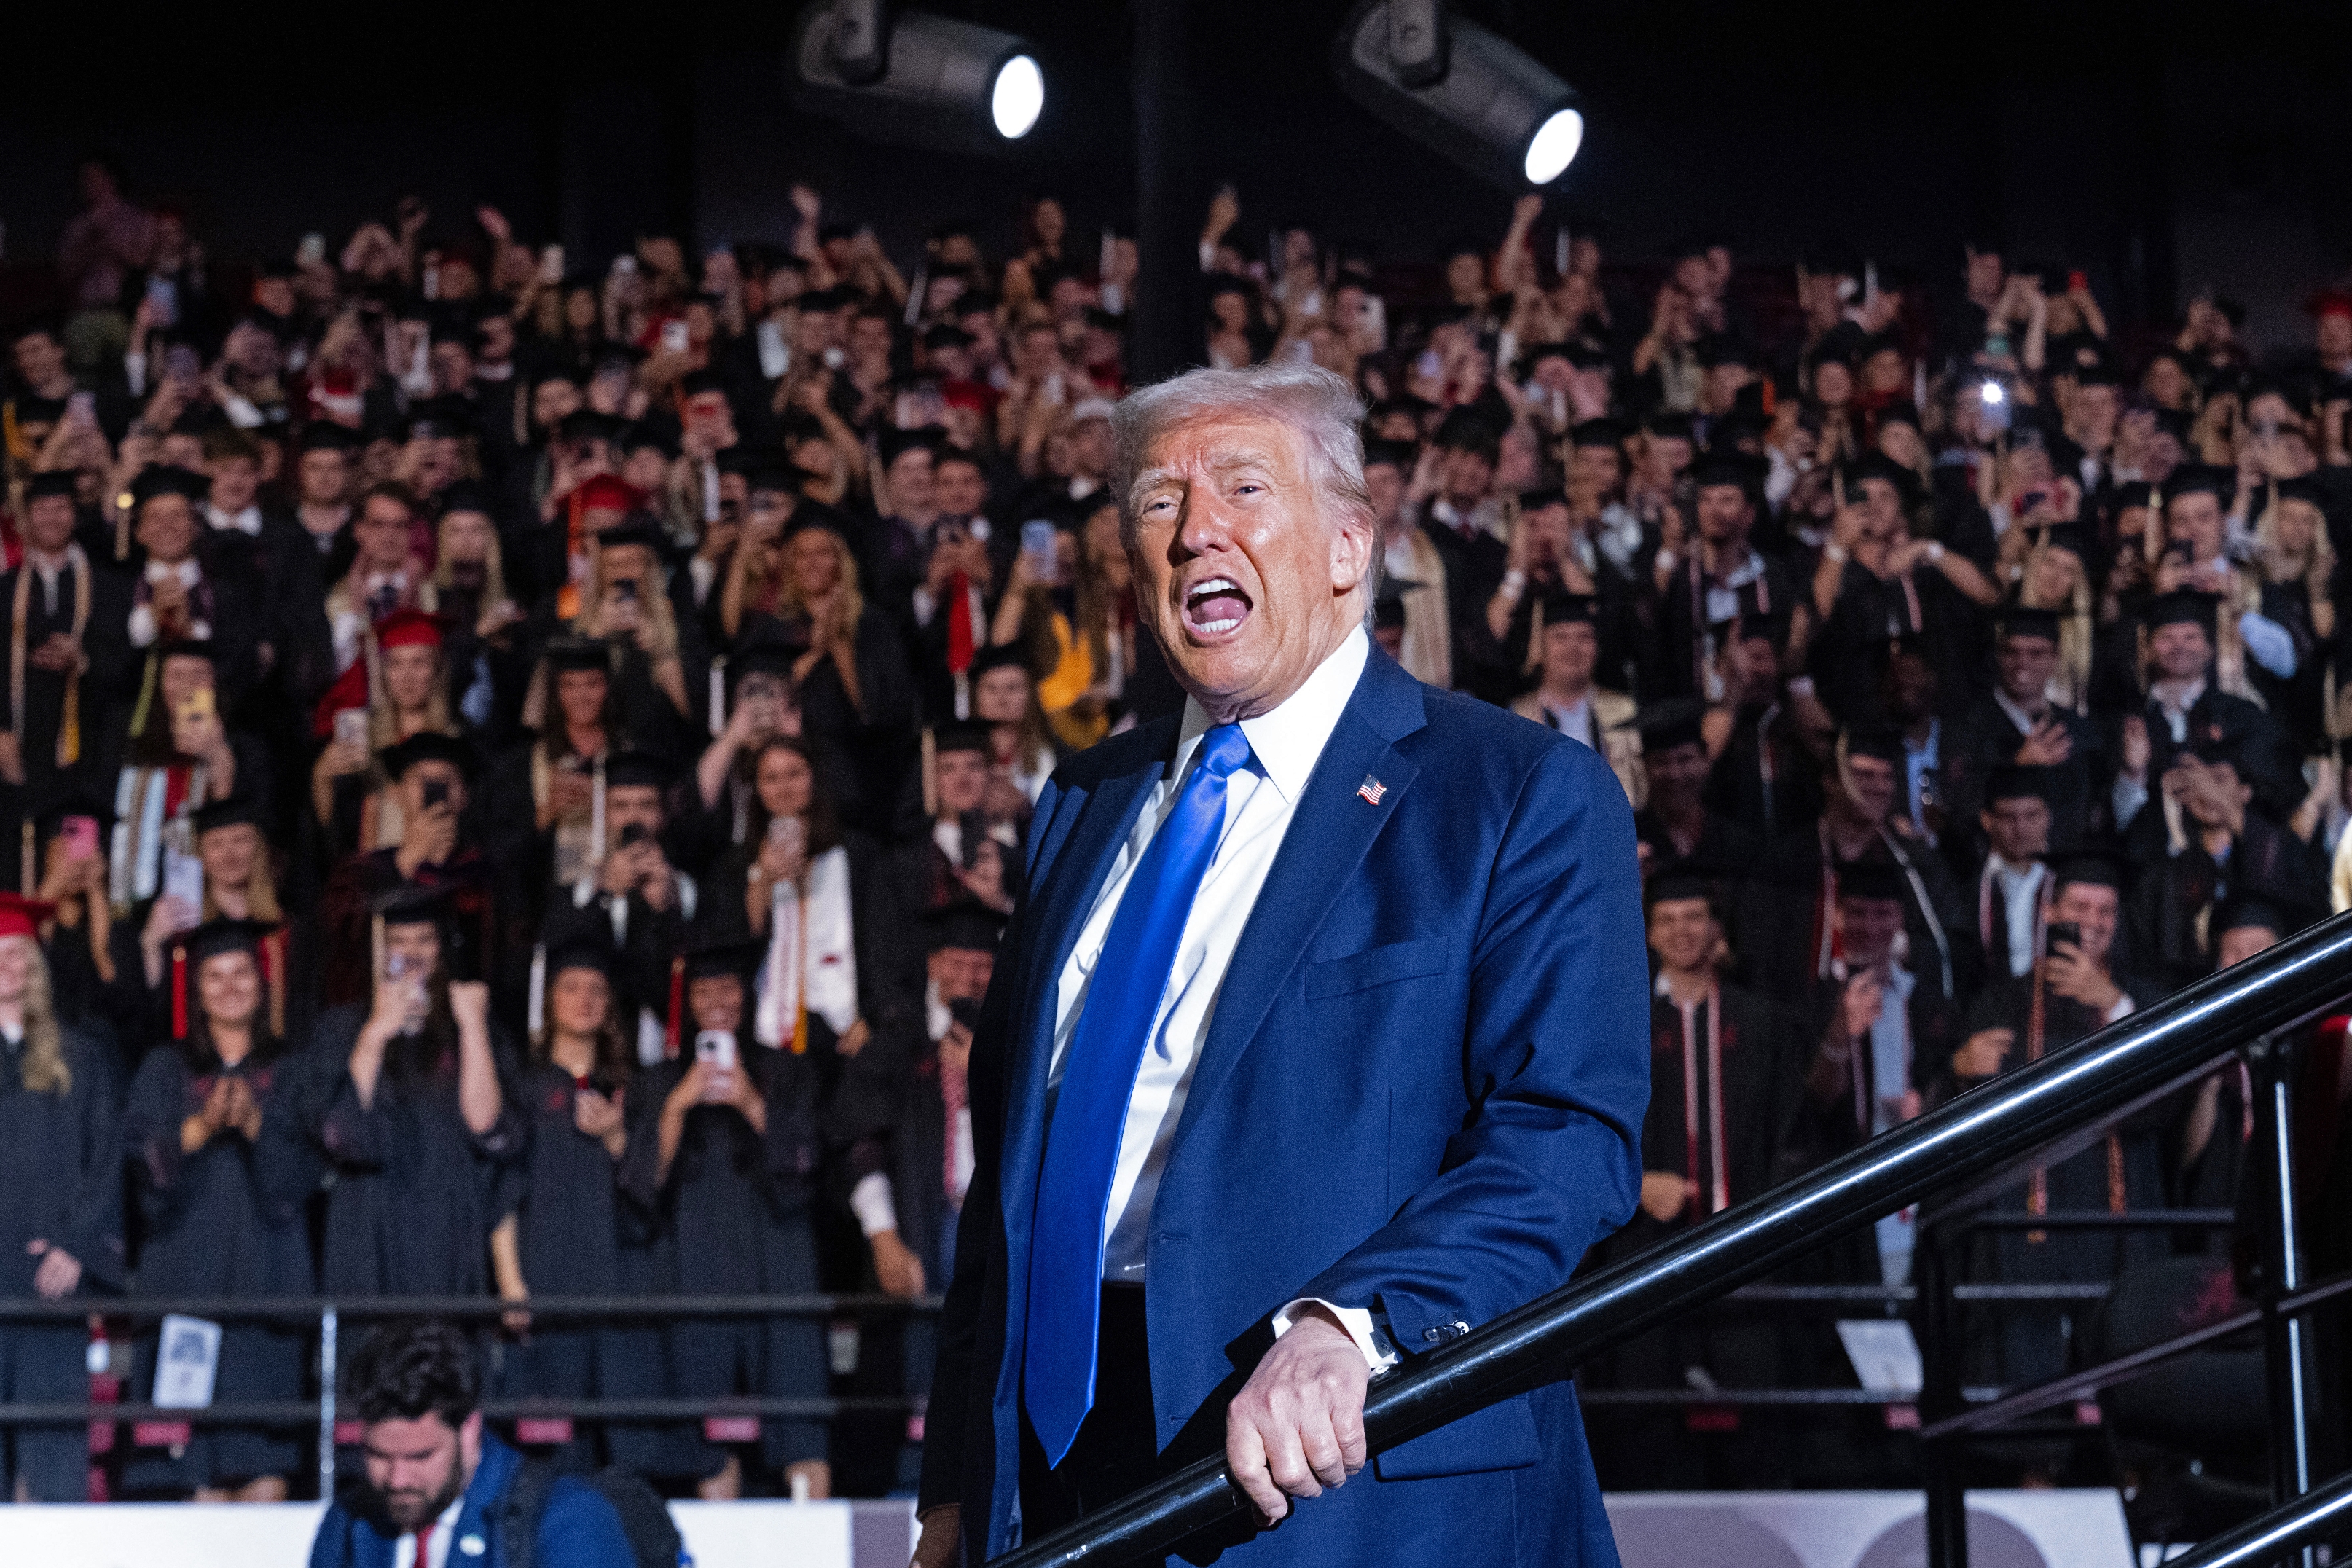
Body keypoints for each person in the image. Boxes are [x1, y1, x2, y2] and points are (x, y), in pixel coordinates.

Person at [915, 363, 1647, 1567]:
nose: (1193, 529)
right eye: (1156, 505)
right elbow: (1011, 1181)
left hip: (1355, 1474)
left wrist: (1349, 1326)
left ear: (1349, 545)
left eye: (1241, 488)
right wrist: (956, 1483)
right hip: (1053, 1490)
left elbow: (1564, 1137)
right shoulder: (1080, 801)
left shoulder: (1515, 790)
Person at [619, 931, 831, 1502]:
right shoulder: (662, 1082)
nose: (718, 1001)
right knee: (708, 1436)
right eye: (705, 991)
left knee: (800, 1419)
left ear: (746, 994)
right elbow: (640, 1187)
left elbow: (811, 1168)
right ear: (687, 1003)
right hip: (697, 1273)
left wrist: (750, 1104)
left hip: (778, 1269)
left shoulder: (785, 1072)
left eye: (729, 988)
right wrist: (678, 1106)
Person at [120, 917, 313, 1500]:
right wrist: (200, 1128)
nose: (229, 987)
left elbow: (305, 1181)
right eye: (214, 976)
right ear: (196, 990)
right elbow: (139, 1170)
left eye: (241, 974)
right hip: (185, 1296)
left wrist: (256, 1127)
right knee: (190, 1479)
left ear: (262, 983)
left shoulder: (293, 1071)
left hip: (267, 1300)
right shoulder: (165, 1069)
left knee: (264, 1473)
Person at [299, 884, 520, 1296]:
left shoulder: (469, 1024)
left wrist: (473, 1026)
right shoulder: (342, 1029)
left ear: (442, 948)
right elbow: (342, 1136)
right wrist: (376, 1034)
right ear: (378, 951)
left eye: (424, 939)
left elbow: (487, 1126)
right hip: (368, 1231)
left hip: (448, 1228)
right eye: (398, 941)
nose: (412, 952)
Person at [307, 1319, 635, 1568]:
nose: (398, 1479)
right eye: (378, 1455)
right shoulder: (346, 1524)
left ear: (469, 1430)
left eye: (420, 1456)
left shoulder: (568, 1519)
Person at [0, 893, 123, 1502]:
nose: (8, 968)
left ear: (38, 966)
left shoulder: (80, 1058)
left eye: (18, 954)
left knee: (55, 1470)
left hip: (53, 1289)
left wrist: (75, 1246)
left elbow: (106, 1162)